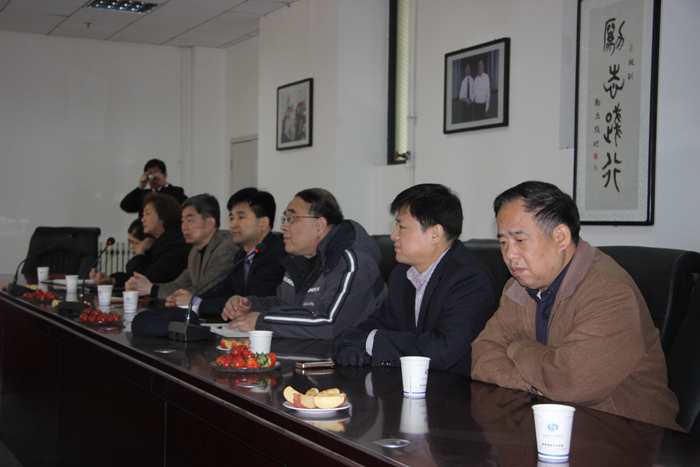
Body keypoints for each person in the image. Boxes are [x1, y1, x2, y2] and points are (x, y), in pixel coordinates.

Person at [470, 181, 681, 430]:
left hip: (630, 435)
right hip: (552, 427)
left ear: (560, 237)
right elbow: (481, 356)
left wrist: (517, 349)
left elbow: (569, 383)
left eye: (520, 240)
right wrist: (541, 383)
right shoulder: (517, 287)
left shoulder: (610, 292)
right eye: (504, 242)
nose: (509, 255)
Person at [332, 184, 499, 375]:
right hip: (415, 384)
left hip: (458, 388)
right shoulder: (402, 274)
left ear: (435, 233)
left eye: (401, 226)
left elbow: (442, 349)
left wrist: (369, 342)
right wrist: (352, 342)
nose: (393, 235)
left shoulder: (469, 279)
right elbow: (381, 323)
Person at [220, 188, 388, 339]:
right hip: (307, 352)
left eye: (291, 218)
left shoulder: (352, 261)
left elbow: (330, 324)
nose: (283, 226)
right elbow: (285, 305)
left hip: (350, 358)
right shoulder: (299, 258)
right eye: (285, 218)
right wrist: (251, 306)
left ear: (319, 226)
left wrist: (262, 321)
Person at [164, 188, 287, 321]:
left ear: (263, 223)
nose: (233, 224)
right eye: (231, 218)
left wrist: (195, 303)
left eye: (241, 217)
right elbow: (225, 292)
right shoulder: (241, 254)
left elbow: (248, 303)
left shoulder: (276, 254)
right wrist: (192, 298)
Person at [125, 194, 238, 300]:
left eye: (189, 221)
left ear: (210, 223)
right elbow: (178, 285)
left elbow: (204, 290)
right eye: (182, 221)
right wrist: (149, 287)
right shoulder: (195, 251)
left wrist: (150, 289)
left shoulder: (225, 249)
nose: (184, 227)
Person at [92, 193, 190, 287]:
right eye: (143, 214)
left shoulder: (176, 246)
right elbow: (135, 275)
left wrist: (140, 251)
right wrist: (111, 280)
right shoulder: (158, 242)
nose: (143, 219)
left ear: (163, 216)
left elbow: (144, 278)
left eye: (147, 214)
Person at [119, 159, 187, 215]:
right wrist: (140, 187)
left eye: (156, 173)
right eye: (150, 174)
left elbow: (185, 204)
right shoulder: (143, 194)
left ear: (165, 175)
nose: (153, 177)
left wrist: (166, 185)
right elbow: (125, 206)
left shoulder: (174, 191)